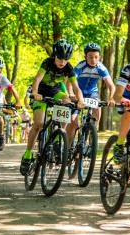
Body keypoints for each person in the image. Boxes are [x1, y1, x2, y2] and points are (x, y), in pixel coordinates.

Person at [19, 39, 85, 176]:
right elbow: (37, 79)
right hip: (41, 92)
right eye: (60, 58)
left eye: (66, 59)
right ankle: (27, 154)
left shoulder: (68, 68)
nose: (62, 62)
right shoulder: (47, 63)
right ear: (55, 55)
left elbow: (76, 87)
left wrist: (81, 100)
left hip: (55, 91)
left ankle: (56, 140)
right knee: (39, 124)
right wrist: (35, 93)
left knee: (67, 101)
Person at [66, 42, 115, 145]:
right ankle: (68, 147)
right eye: (90, 57)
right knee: (72, 121)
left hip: (92, 93)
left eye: (96, 57)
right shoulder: (80, 66)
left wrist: (111, 98)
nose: (93, 60)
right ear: (85, 57)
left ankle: (92, 137)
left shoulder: (101, 68)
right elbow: (70, 81)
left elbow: (111, 86)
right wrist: (70, 93)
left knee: (98, 110)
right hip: (78, 93)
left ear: (99, 57)